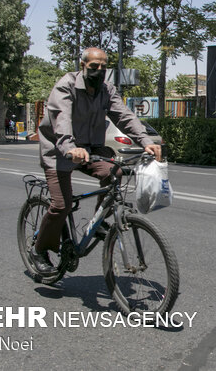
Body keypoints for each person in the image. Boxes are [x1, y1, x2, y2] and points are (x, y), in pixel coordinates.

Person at [31, 47, 161, 276]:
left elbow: (124, 116)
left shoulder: (106, 90)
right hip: (59, 151)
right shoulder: (66, 86)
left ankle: (99, 219)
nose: (99, 71)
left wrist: (145, 140)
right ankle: (40, 251)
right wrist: (71, 148)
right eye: (94, 66)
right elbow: (62, 121)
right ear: (83, 65)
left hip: (89, 150)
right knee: (61, 205)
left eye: (103, 67)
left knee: (115, 173)